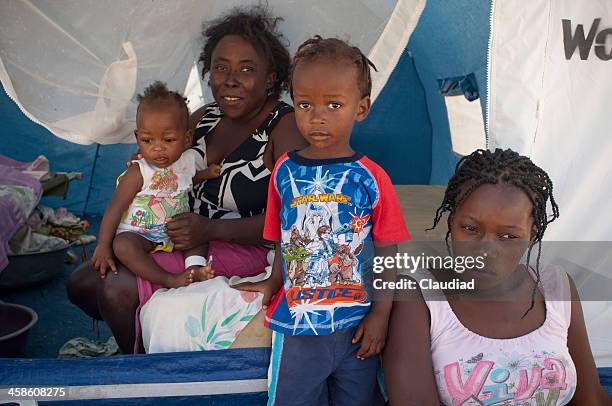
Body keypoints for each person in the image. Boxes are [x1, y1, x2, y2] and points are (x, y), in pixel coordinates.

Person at [67, 6, 306, 354]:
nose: (231, 79)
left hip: (248, 248)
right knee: (82, 282)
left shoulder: (283, 128)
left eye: (247, 69)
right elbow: (166, 164)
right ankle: (144, 342)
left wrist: (209, 230)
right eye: (221, 67)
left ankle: (138, 367)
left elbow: (296, 218)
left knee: (115, 288)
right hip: (182, 237)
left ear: (271, 78)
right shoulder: (204, 119)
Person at [235, 37, 410, 406]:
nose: (317, 116)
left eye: (334, 104)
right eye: (304, 104)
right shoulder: (284, 171)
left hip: (357, 327)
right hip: (299, 326)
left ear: (361, 109)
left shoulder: (371, 178)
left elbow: (388, 251)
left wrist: (381, 313)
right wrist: (272, 282)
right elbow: (285, 239)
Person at [383, 148, 611, 405]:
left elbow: (590, 398)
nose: (485, 250)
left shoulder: (555, 286)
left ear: (532, 234)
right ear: (451, 221)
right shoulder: (418, 295)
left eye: (508, 236)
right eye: (470, 229)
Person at [92, 81, 218, 290]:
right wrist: (103, 244)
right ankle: (168, 279)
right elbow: (115, 208)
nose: (157, 149)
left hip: (174, 232)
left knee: (198, 234)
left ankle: (195, 269)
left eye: (168, 140)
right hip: (140, 233)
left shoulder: (186, 162)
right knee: (122, 245)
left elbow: (183, 182)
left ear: (186, 139)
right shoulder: (138, 172)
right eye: (148, 140)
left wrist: (206, 174)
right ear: (137, 138)